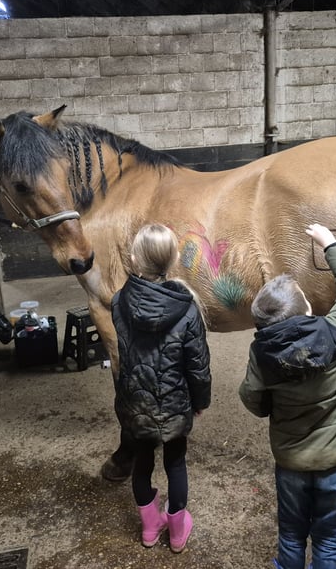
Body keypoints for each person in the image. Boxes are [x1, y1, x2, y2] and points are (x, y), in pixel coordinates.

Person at [238, 223, 336, 569]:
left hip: (292, 465)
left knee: (291, 533)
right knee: (330, 537)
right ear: (307, 311)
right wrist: (330, 244)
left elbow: (253, 400)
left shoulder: (261, 356)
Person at [111, 223, 212, 553]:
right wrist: (200, 400)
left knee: (142, 464)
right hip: (173, 405)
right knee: (176, 464)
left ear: (135, 258)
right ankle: (178, 532)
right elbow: (197, 365)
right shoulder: (187, 308)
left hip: (136, 404)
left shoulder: (118, 302)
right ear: (173, 259)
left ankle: (150, 528)